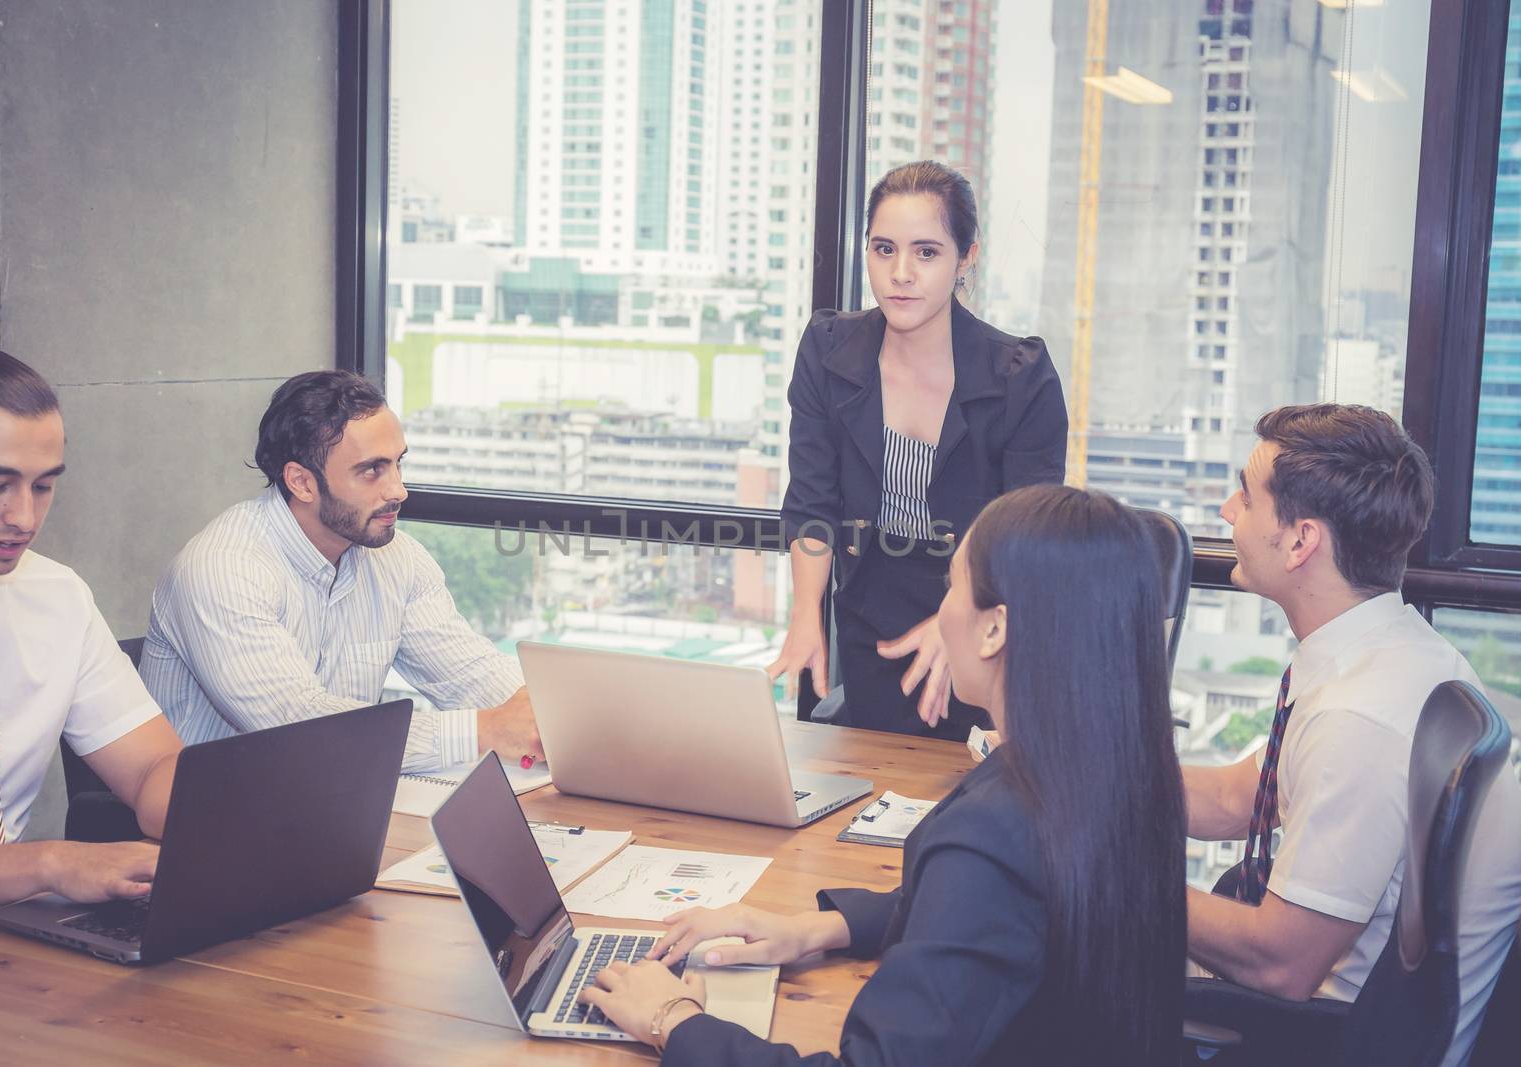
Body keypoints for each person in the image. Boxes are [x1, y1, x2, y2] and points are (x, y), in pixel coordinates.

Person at [579, 485, 1187, 1065]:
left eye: (951, 587)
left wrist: (675, 1021)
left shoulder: (995, 831)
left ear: (995, 627)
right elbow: (995, 917)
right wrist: (810, 929)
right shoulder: (1115, 768)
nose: (940, 612)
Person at [1186, 404, 1521, 1066]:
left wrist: (1114, 880)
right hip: (1316, 1011)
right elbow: (1238, 796)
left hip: (1309, 1036)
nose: (1228, 511)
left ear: (1300, 540)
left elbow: (1279, 964)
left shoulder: (1358, 718)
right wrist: (1077, 773)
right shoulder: (1398, 649)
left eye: (1246, 497)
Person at [767, 160, 1067, 741]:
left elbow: (1028, 532)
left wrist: (958, 618)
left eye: (926, 252)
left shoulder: (1019, 377)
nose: (900, 273)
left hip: (989, 621)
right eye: (884, 250)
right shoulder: (829, 352)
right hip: (869, 620)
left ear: (966, 257)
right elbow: (813, 501)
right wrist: (807, 614)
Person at [141, 370, 539, 773]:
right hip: (208, 820)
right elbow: (298, 726)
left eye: (398, 463)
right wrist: (481, 731)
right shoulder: (224, 570)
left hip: (335, 802)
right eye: (372, 470)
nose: (398, 490)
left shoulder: (395, 558)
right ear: (301, 482)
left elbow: (469, 673)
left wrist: (552, 717)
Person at [0, 344, 182, 919]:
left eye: (43, 486)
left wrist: (218, 816)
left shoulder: (56, 596)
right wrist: (49, 864)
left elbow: (150, 767)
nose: (24, 517)